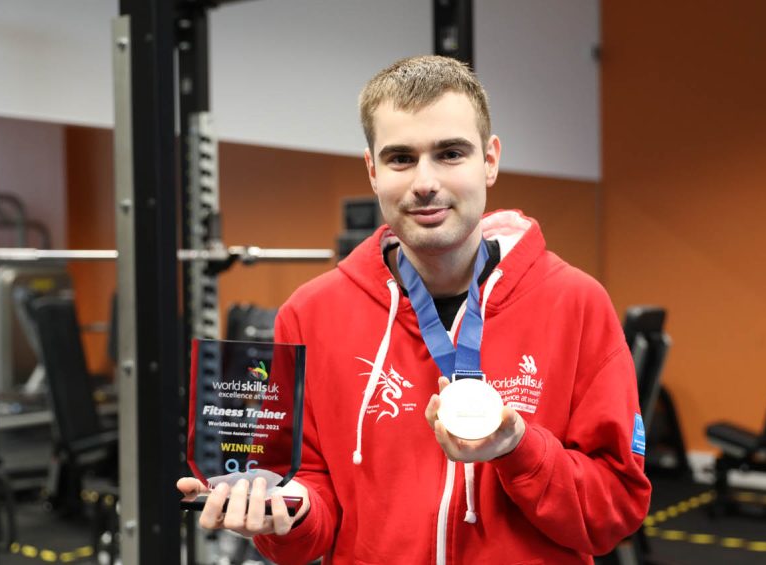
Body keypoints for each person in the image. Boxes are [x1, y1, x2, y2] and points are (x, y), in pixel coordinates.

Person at [177, 55, 651, 564]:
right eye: (401, 158)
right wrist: (282, 512)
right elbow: (310, 503)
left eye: (450, 153)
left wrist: (520, 450)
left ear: (489, 160)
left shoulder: (575, 303)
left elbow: (614, 513)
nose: (425, 181)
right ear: (373, 170)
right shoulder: (309, 314)